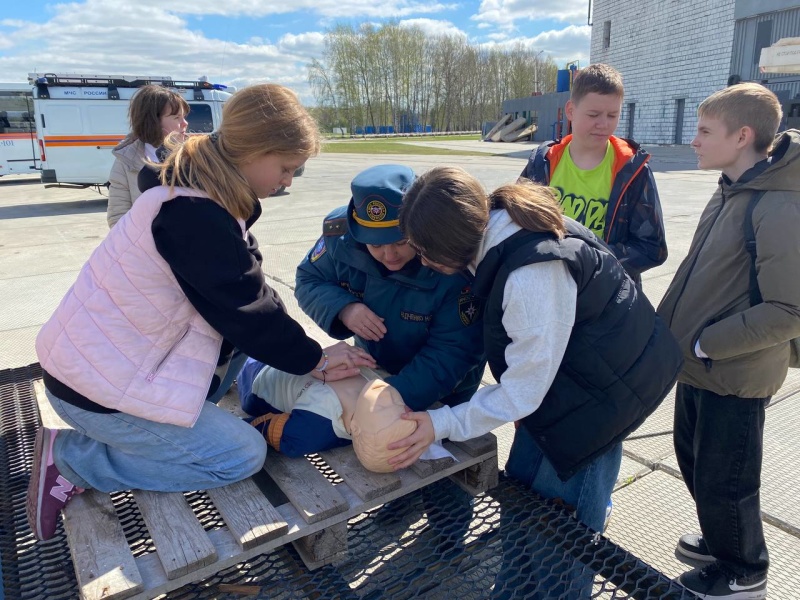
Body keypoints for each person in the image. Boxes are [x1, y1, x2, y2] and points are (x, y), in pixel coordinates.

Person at [26, 83, 375, 543]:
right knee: (239, 456)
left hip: (100, 365)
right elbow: (246, 310)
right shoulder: (196, 216)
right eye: (286, 167)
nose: (288, 180)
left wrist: (304, 353)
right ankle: (71, 460)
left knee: (247, 361)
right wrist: (315, 361)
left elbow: (254, 295)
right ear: (252, 152)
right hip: (94, 391)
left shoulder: (191, 194)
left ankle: (159, 434)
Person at [389, 167, 683, 596]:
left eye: (423, 251)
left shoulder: (531, 275)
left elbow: (525, 391)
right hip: (570, 380)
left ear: (453, 246)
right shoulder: (500, 227)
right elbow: (531, 372)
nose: (421, 260)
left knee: (560, 536)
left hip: (600, 403)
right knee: (523, 502)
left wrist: (440, 424)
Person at [657, 84, 800, 599]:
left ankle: (743, 569)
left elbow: (790, 311)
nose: (692, 141)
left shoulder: (778, 207)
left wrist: (704, 344)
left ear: (742, 136)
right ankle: (723, 540)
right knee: (695, 462)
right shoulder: (730, 187)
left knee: (727, 480)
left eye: (703, 131)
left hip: (732, 372)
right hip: (700, 365)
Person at [290, 163, 485, 414]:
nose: (389, 255)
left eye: (402, 242)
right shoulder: (339, 237)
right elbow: (308, 279)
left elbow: (453, 350)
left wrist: (391, 398)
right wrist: (344, 308)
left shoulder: (446, 257)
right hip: (374, 366)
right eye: (375, 245)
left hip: (446, 389)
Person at [519, 63, 667, 284]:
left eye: (612, 115)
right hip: (546, 285)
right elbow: (515, 221)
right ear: (570, 111)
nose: (603, 124)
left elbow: (651, 248)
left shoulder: (633, 171)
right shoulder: (542, 162)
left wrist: (588, 263)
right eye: (594, 114)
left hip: (604, 297)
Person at [106, 84, 189, 228]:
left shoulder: (194, 156)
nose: (185, 123)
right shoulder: (126, 161)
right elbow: (117, 218)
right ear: (153, 121)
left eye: (184, 117)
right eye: (177, 117)